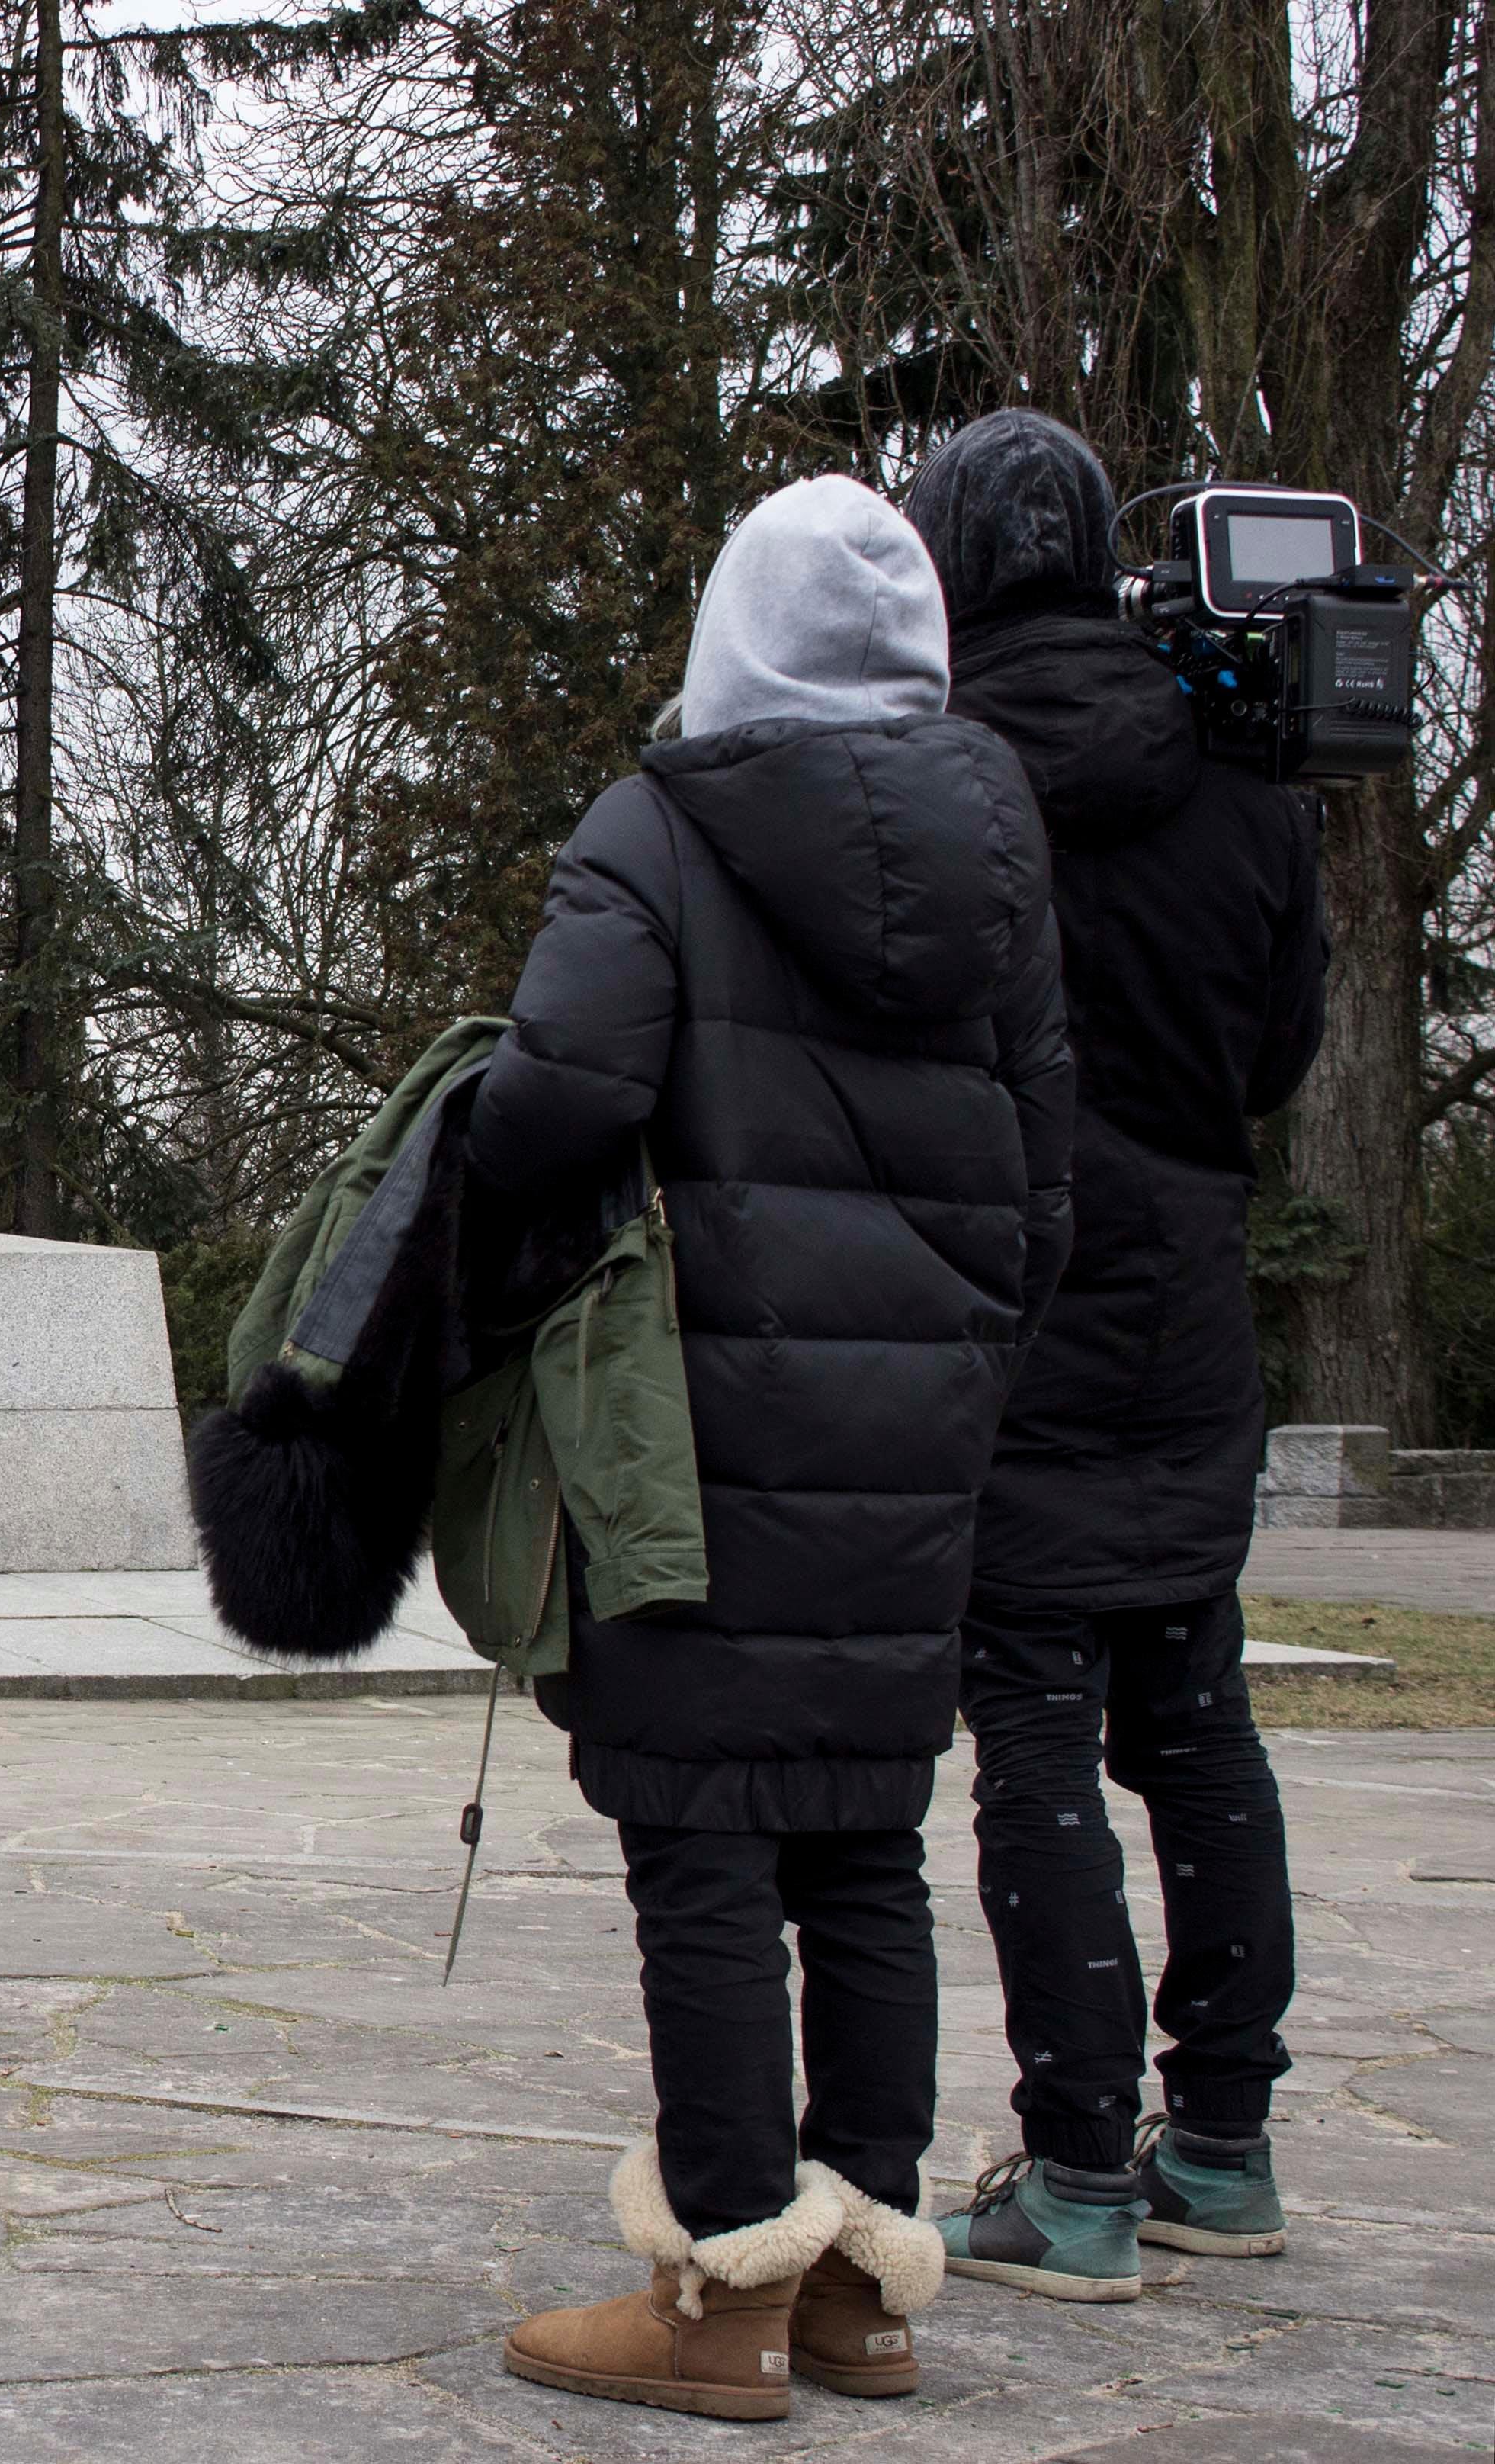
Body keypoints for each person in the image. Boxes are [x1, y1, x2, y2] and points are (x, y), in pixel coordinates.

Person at [473, 477, 1073, 2420]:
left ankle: (720, 2289)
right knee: (863, 1843)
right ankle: (857, 2292)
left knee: (706, 1843)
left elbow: (549, 1106)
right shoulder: (1000, 860)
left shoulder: (656, 828)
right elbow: (1045, 1176)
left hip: (695, 1422)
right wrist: (952, 1366)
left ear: (729, 638)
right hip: (914, 1433)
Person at [906, 410, 1326, 2299]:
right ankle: (1217, 2139)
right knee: (1197, 1715)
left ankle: (1074, 2169)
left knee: (1034, 1733)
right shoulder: (1247, 776)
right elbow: (1276, 1049)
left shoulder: (941, 778)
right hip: (1185, 1299)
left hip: (1015, 1288)